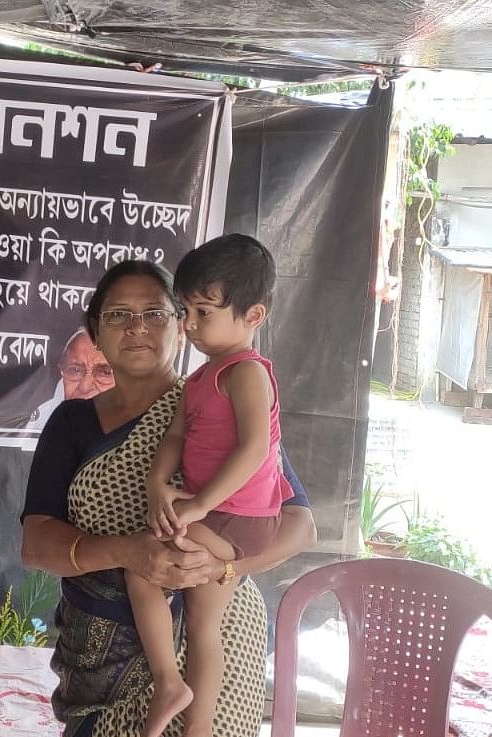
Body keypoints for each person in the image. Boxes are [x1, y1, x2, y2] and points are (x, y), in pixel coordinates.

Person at [19, 259, 317, 737]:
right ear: (95, 331)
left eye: (156, 313)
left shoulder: (222, 404)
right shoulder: (72, 423)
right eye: (117, 314)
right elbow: (36, 544)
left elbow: (299, 525)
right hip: (101, 651)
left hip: (215, 637)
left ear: (182, 327)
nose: (137, 327)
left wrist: (220, 569)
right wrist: (128, 552)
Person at [133, 235, 292, 737]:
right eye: (185, 310)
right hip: (215, 515)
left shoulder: (246, 373)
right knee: (202, 625)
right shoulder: (200, 377)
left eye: (204, 312)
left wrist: (199, 503)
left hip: (242, 520)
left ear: (253, 317)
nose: (190, 325)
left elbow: (255, 450)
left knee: (143, 566)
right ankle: (195, 727)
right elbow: (177, 437)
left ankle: (169, 684)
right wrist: (160, 482)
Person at [27, 329, 117, 430]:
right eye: (75, 370)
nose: (84, 387)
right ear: (61, 371)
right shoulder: (37, 423)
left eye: (105, 372)